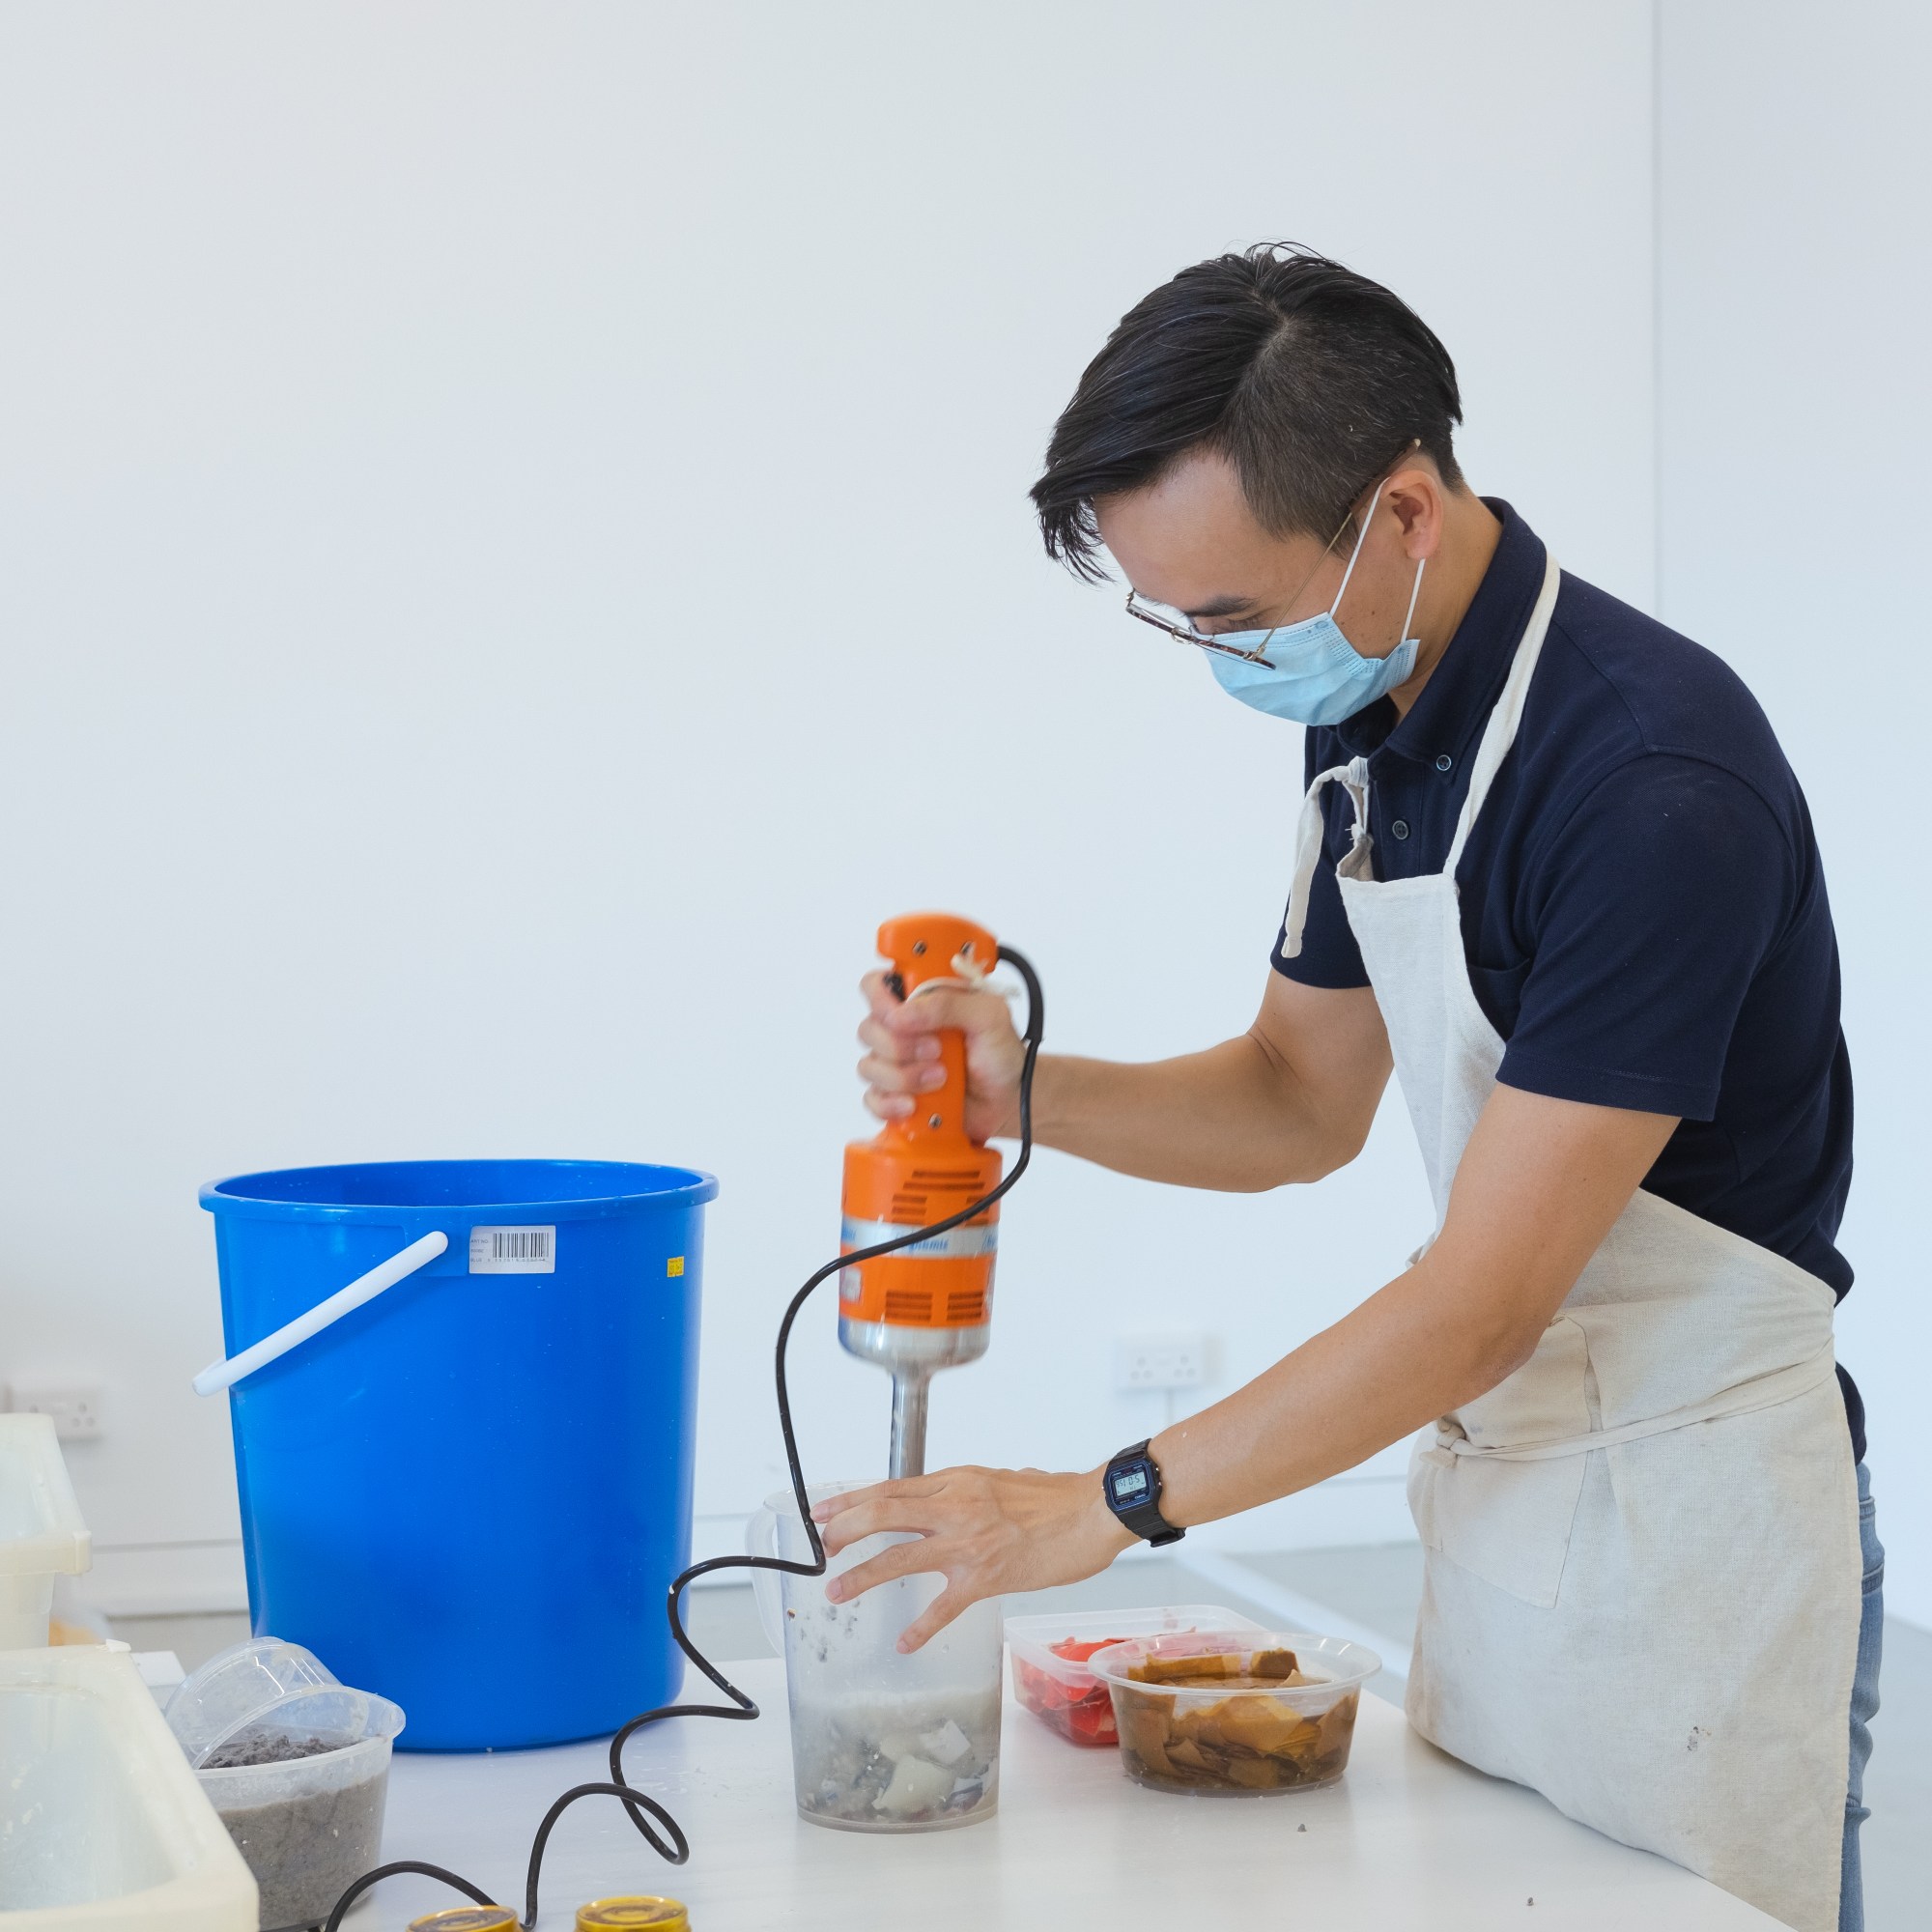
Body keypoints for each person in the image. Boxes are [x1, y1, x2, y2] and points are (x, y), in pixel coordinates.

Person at [811, 245, 1881, 1932]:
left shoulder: (1652, 786)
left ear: (1402, 513)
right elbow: (1296, 1102)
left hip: (1701, 1532)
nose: (1218, 659)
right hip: (1512, 1493)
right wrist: (1022, 1092)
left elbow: (1479, 1305)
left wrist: (1101, 1508)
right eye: (1177, 619)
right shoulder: (1375, 702)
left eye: (1235, 617)